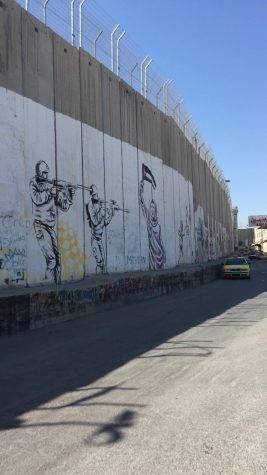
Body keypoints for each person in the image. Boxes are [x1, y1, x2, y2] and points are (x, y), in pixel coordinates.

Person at [29, 160, 75, 283]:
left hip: (50, 227)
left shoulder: (51, 186)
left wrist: (70, 196)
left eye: (46, 173)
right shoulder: (34, 183)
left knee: (58, 260)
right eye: (43, 173)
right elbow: (37, 199)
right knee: (52, 260)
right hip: (40, 226)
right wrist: (50, 192)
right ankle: (48, 283)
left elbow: (63, 206)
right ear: (38, 173)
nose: (45, 176)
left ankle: (57, 284)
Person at [85, 185, 114, 274]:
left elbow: (105, 222)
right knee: (100, 261)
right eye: (94, 195)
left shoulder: (100, 204)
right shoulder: (90, 205)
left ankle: (102, 273)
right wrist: (101, 211)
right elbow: (95, 222)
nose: (96, 197)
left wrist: (111, 213)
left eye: (97, 195)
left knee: (102, 262)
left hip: (99, 238)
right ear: (91, 195)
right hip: (95, 237)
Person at [139, 179, 166, 270]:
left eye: (153, 207)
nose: (152, 209)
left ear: (156, 209)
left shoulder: (158, 225)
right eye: (151, 207)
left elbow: (161, 241)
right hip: (153, 257)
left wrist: (164, 253)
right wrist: (141, 191)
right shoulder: (148, 221)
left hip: (160, 255)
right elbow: (143, 206)